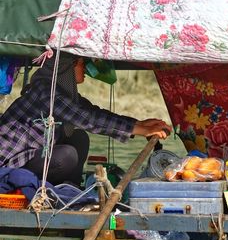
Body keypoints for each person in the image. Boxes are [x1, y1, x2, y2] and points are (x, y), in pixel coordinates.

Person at [0, 52, 171, 185]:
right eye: (82, 64)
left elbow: (94, 113)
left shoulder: (62, 93)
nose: (86, 71)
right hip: (9, 165)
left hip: (29, 157)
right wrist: (141, 130)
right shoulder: (47, 93)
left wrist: (139, 124)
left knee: (79, 138)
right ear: (66, 68)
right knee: (67, 155)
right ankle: (47, 190)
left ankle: (69, 188)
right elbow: (88, 119)